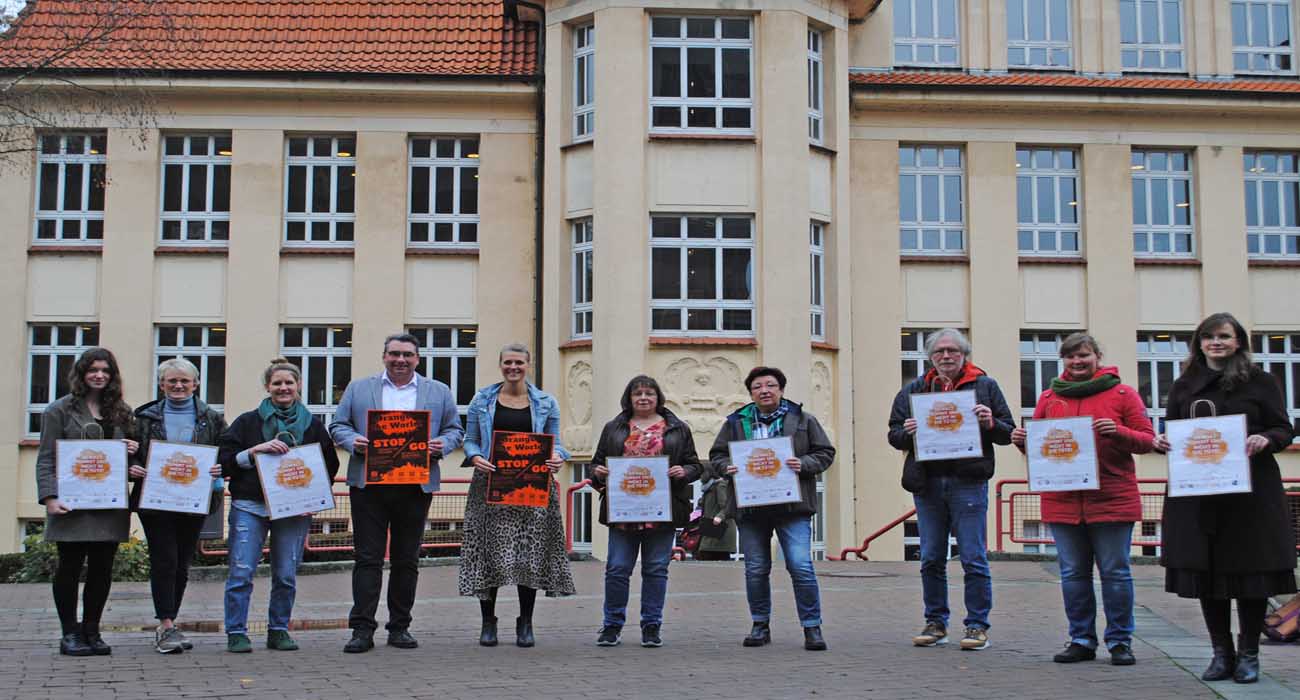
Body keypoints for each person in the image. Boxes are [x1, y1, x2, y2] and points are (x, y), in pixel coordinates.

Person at [1156, 312, 1297, 684]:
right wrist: (1162, 442)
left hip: (1250, 495)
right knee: (1208, 575)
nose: (1215, 342)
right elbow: (1172, 430)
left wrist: (1267, 439)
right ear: (1199, 342)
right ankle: (1221, 654)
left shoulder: (1260, 381)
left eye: (1223, 336)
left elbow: (1283, 426)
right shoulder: (1184, 385)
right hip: (1198, 496)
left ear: (1238, 342)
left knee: (1250, 576)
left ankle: (1249, 654)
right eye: (1208, 337)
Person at [1011, 333, 1153, 666]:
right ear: (1064, 361)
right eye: (1071, 357)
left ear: (1097, 357)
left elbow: (1147, 440)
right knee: (1073, 573)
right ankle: (1081, 639)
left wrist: (1117, 432)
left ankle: (1119, 641)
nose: (1077, 362)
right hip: (1063, 500)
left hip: (1111, 497)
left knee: (1115, 573)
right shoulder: (1049, 397)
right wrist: (1022, 440)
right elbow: (1042, 450)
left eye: (1084, 356)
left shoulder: (1122, 393)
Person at [330, 333, 464, 653]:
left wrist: (442, 445)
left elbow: (455, 429)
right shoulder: (359, 388)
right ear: (384, 356)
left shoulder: (438, 391)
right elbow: (338, 426)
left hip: (415, 486)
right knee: (367, 558)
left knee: (407, 560)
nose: (400, 360)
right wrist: (352, 442)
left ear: (418, 359)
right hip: (369, 485)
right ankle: (362, 628)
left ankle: (399, 627)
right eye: (394, 354)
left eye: (407, 355)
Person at [887, 328, 1013, 651]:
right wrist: (907, 431)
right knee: (930, 557)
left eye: (953, 351)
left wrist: (990, 423)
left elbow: (1007, 431)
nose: (946, 356)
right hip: (927, 483)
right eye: (940, 352)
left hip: (968, 482)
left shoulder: (985, 386)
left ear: (964, 355)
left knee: (973, 557)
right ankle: (936, 623)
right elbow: (893, 435)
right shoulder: (914, 390)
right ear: (930, 357)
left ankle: (976, 626)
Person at [217, 357, 340, 653]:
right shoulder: (248, 422)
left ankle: (279, 629)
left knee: (285, 573)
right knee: (241, 571)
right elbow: (224, 460)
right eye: (277, 383)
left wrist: (314, 498)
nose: (283, 388)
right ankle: (236, 631)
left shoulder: (312, 424)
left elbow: (329, 465)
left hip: (294, 510)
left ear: (298, 386)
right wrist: (254, 451)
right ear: (267, 387)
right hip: (250, 505)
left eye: (289, 382)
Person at [709, 366, 835, 651]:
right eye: (757, 386)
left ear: (781, 389)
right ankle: (760, 624)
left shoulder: (803, 419)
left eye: (770, 385)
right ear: (750, 392)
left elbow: (825, 453)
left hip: (793, 506)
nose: (764, 390)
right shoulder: (735, 422)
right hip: (751, 508)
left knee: (801, 566)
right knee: (755, 568)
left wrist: (804, 464)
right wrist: (725, 467)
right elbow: (717, 454)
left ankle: (812, 627)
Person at [459, 343, 575, 647]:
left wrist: (559, 457)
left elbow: (558, 444)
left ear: (528, 365)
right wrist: (474, 457)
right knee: (488, 553)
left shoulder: (546, 402)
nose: (513, 367)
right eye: (508, 362)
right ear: (500, 365)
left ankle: (526, 621)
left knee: (530, 553)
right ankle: (488, 621)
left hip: (532, 489)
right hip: (489, 486)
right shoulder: (482, 400)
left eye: (519, 363)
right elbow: (470, 440)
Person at [35, 347, 139, 656]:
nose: (99, 375)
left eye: (106, 371)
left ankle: (92, 631)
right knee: (69, 567)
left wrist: (131, 452)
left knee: (102, 569)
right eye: (93, 369)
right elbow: (46, 459)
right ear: (82, 373)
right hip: (71, 503)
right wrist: (50, 497)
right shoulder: (59, 410)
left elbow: (127, 462)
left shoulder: (121, 411)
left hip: (109, 503)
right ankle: (70, 633)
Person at [590, 375, 702, 647]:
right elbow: (595, 466)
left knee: (655, 569)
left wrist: (683, 471)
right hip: (623, 512)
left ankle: (651, 625)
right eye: (637, 393)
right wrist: (599, 473)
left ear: (658, 398)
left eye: (649, 393)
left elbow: (696, 466)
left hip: (661, 511)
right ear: (629, 398)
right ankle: (612, 625)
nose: (643, 398)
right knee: (617, 569)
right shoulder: (614, 427)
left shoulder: (677, 428)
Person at [128, 358, 226, 654]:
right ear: (161, 385)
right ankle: (166, 624)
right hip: (155, 499)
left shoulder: (212, 417)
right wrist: (131, 466)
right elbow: (126, 449)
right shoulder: (143, 417)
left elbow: (227, 450)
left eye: (185, 381)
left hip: (193, 500)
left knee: (182, 562)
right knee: (164, 559)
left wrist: (221, 467)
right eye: (172, 381)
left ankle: (171, 621)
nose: (179, 385)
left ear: (196, 384)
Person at [696, 477, 736, 561]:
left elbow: (726, 505)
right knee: (706, 556)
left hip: (718, 528)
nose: (701, 476)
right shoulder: (708, 487)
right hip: (709, 527)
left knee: (709, 556)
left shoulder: (720, 485)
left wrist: (720, 516)